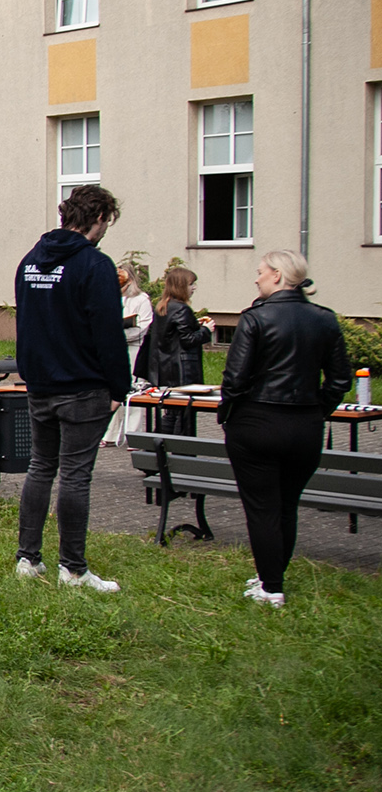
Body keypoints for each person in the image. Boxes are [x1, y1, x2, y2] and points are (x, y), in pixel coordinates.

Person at [12, 184, 131, 593]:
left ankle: (28, 558)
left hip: (40, 385)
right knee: (76, 475)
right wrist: (120, 386)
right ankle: (74, 569)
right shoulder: (94, 266)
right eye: (106, 223)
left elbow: (26, 324)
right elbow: (108, 332)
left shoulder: (31, 261)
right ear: (98, 219)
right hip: (83, 387)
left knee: (41, 467)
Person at [221, 250, 352, 608]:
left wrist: (228, 412)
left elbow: (235, 377)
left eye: (261, 272)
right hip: (305, 423)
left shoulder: (256, 319)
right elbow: (341, 378)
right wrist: (318, 408)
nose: (257, 278)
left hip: (257, 420)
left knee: (262, 506)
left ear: (278, 276)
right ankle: (271, 575)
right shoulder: (324, 320)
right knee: (286, 504)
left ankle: (271, 586)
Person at [139, 265, 214, 437]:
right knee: (183, 415)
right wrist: (206, 330)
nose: (194, 288)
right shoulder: (182, 309)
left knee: (170, 413)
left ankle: (157, 449)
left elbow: (169, 337)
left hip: (164, 370)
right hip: (182, 372)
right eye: (191, 284)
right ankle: (181, 454)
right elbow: (188, 340)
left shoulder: (163, 307)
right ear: (181, 286)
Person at [102, 265, 154, 446]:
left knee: (133, 390)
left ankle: (133, 435)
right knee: (112, 389)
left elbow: (144, 326)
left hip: (134, 348)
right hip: (113, 349)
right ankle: (110, 434)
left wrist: (119, 335)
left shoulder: (141, 299)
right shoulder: (109, 297)